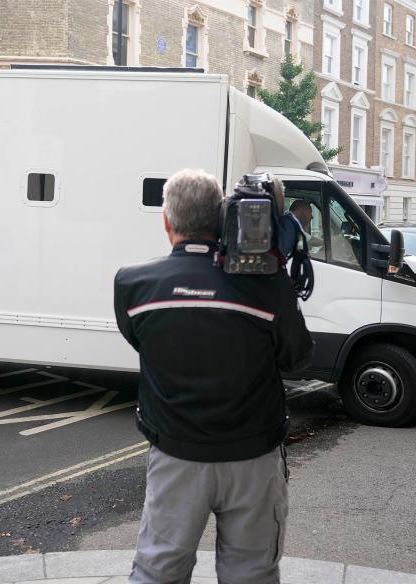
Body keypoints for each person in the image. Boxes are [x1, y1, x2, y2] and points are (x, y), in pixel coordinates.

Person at [113, 169, 314, 584]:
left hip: (175, 457)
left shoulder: (133, 285)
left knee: (158, 571)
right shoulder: (267, 286)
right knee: (251, 574)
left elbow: (142, 343)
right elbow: (297, 359)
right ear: (222, 219)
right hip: (254, 460)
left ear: (167, 221)